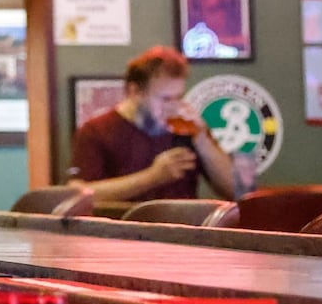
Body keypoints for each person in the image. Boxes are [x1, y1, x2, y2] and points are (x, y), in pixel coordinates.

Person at [67, 45, 234, 202]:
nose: (174, 107)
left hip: (182, 230)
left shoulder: (187, 128)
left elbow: (235, 191)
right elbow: (77, 195)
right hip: (122, 230)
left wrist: (201, 137)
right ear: (135, 92)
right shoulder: (96, 131)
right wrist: (152, 177)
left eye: (179, 97)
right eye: (165, 99)